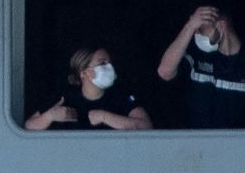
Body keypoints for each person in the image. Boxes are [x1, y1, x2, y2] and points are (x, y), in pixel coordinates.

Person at [157, 4, 245, 129]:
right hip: (200, 146)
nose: (196, 34)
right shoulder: (196, 57)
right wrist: (189, 26)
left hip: (243, 145)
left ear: (221, 26)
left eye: (200, 29)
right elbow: (165, 72)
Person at [25, 47, 153, 131]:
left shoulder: (120, 95)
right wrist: (49, 116)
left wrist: (104, 117)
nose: (109, 67)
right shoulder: (64, 96)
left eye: (109, 63)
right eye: (102, 63)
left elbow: (146, 126)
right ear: (83, 72)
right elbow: (29, 127)